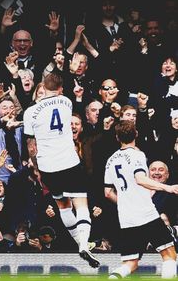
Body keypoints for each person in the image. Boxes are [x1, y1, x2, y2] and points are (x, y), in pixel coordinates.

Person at [23, 72, 100, 268]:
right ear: (60, 89)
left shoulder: (30, 112)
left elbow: (31, 146)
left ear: (42, 88)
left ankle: (80, 244)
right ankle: (84, 243)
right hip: (69, 162)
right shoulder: (66, 102)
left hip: (48, 166)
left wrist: (38, 168)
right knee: (81, 204)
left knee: (63, 206)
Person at [104, 120, 178, 279]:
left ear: (117, 137)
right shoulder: (137, 154)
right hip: (146, 214)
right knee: (169, 255)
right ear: (136, 134)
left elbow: (108, 192)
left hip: (126, 218)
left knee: (130, 263)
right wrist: (168, 187)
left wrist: (125, 203)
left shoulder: (110, 160)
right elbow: (140, 179)